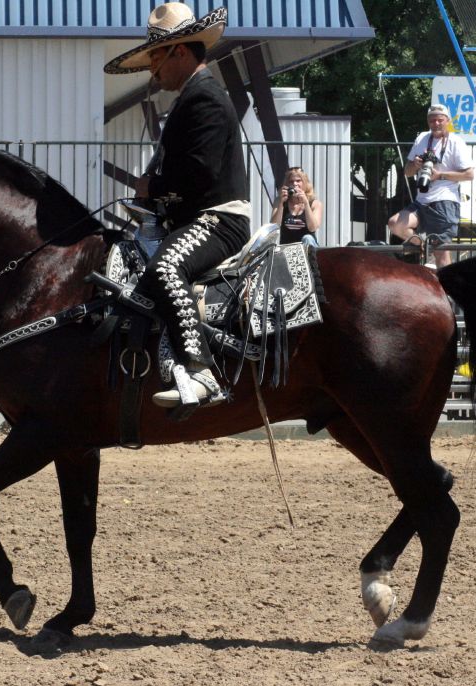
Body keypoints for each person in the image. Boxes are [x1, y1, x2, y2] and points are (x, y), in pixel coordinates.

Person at [104, 3, 250, 410]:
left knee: (166, 267)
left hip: (218, 221)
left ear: (180, 52)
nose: (153, 70)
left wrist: (152, 186)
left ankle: (202, 373)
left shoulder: (205, 98)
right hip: (194, 219)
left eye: (156, 57)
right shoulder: (192, 98)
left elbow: (198, 174)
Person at [387, 104, 474, 269]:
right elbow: (407, 172)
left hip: (444, 202)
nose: (436, 123)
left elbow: (469, 174)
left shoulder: (456, 142)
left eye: (440, 120)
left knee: (441, 254)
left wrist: (439, 175)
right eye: (432, 120)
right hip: (422, 200)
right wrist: (416, 164)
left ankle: (448, 291)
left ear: (447, 121)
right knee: (395, 224)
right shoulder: (422, 138)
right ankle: (423, 246)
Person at [270, 167, 323, 246]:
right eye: (291, 181)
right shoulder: (280, 201)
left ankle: (310, 258)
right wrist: (281, 204)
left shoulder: (315, 204)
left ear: (305, 183)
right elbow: (274, 226)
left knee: (307, 238)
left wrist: (306, 203)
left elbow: (313, 228)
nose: (295, 184)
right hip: (288, 247)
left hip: (307, 247)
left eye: (298, 181)